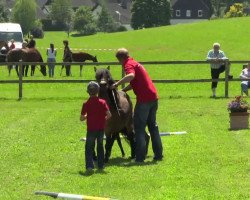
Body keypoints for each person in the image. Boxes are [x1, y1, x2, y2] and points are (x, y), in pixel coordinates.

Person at [111, 48, 163, 163]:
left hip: (144, 100)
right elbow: (135, 82)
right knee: (153, 127)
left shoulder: (128, 64)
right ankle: (158, 155)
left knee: (139, 128)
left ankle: (139, 158)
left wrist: (116, 84)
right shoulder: (135, 63)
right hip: (153, 98)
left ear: (120, 59)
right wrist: (123, 90)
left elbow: (131, 76)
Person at [80, 81, 111, 172]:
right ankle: (101, 165)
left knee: (89, 147)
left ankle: (89, 166)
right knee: (100, 146)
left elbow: (81, 118)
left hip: (91, 129)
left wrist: (87, 116)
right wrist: (103, 119)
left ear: (87, 91)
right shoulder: (103, 102)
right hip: (101, 129)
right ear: (98, 91)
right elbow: (109, 115)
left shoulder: (86, 104)